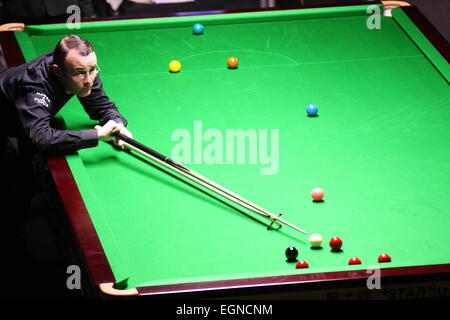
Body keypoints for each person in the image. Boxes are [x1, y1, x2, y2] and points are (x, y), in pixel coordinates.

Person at [0, 35, 131, 296]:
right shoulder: (34, 86)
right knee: (15, 190)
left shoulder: (85, 70)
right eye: (80, 73)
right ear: (58, 71)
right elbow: (42, 138)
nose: (89, 79)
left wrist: (118, 125)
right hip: (4, 126)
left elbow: (101, 105)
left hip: (22, 124)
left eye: (93, 70)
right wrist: (97, 136)